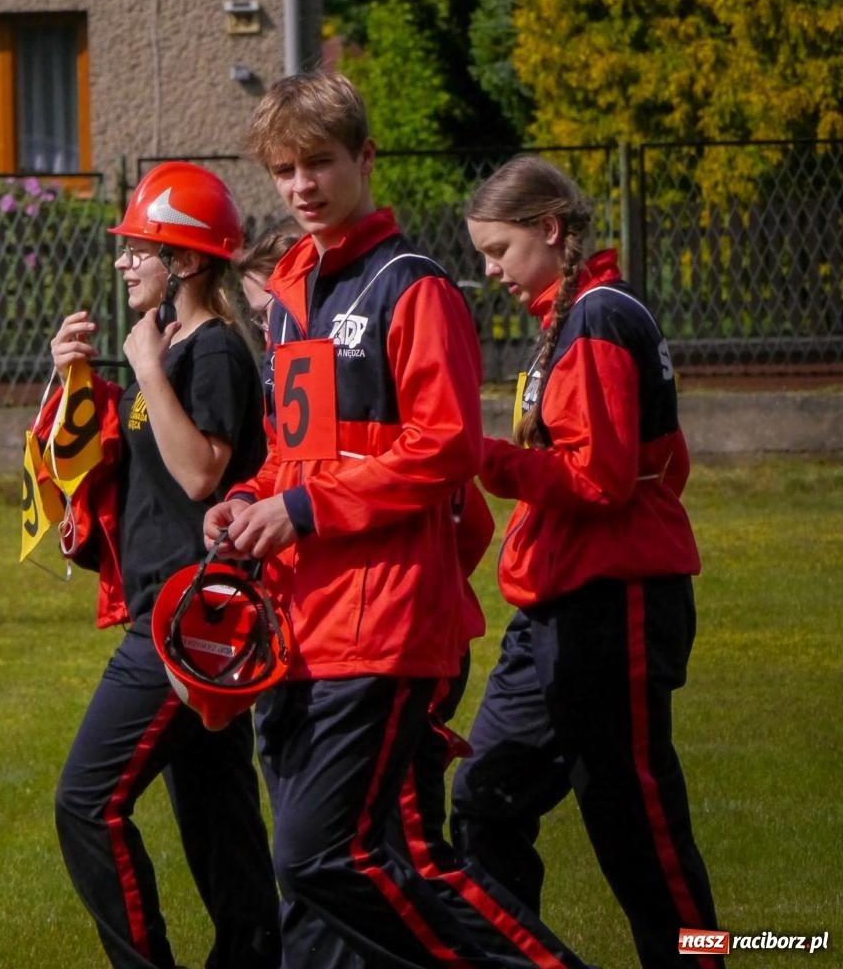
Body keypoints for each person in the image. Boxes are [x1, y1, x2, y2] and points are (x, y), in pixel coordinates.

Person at [203, 73, 589, 968]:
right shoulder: (292, 291)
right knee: (324, 884)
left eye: (320, 163)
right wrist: (250, 496)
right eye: (285, 169)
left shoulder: (411, 288)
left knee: (325, 860)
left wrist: (298, 507)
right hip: (296, 625)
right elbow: (297, 453)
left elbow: (443, 450)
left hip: (384, 625)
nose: (302, 186)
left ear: (366, 160)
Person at [451, 156, 722, 969]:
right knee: (484, 802)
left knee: (640, 832)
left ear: (550, 231)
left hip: (616, 602)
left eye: (499, 251)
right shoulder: (565, 320)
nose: (490, 271)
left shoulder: (600, 316)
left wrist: (483, 460)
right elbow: (650, 464)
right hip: (555, 607)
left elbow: (601, 481)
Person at [51, 162, 280, 969]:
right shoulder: (175, 343)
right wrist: (76, 377)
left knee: (86, 803)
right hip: (177, 611)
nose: (123, 263)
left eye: (138, 249)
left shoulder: (210, 349)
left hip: (188, 620)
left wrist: (145, 367)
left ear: (183, 260)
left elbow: (199, 472)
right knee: (221, 824)